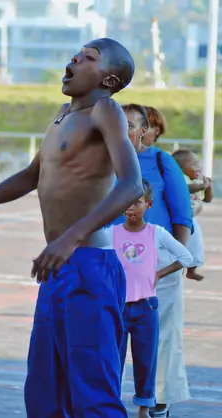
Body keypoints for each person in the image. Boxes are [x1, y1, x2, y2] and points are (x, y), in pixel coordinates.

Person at [0, 38, 142, 417]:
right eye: (77, 52)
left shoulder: (105, 111)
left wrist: (70, 238)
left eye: (89, 57)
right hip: (57, 269)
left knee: (92, 393)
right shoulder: (62, 114)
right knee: (44, 392)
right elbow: (32, 175)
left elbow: (131, 185)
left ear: (108, 81)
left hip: (89, 267)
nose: (75, 57)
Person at [113, 104, 193, 417]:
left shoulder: (161, 160)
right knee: (112, 335)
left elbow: (182, 214)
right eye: (119, 123)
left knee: (162, 335)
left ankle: (159, 400)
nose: (125, 129)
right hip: (113, 260)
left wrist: (174, 263)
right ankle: (108, 398)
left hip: (156, 261)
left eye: (132, 124)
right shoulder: (105, 160)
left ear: (145, 130)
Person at [103, 179, 193, 418]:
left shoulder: (157, 234)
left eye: (138, 202)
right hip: (117, 308)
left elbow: (186, 257)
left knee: (146, 362)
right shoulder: (111, 234)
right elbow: (92, 253)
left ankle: (144, 407)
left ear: (149, 204)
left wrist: (160, 273)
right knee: (113, 360)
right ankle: (111, 405)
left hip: (146, 308)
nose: (132, 208)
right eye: (127, 203)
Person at [172, 149, 213, 281]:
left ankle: (192, 269)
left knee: (196, 244)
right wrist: (201, 187)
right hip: (179, 218)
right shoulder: (179, 178)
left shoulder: (198, 181)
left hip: (192, 218)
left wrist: (208, 187)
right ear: (180, 167)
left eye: (199, 163)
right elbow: (185, 189)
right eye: (194, 164)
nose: (199, 167)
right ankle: (179, 267)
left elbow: (207, 200)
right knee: (179, 245)